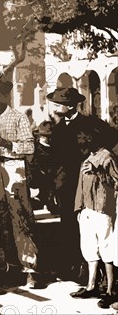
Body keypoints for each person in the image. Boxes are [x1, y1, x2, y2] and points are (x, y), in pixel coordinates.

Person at [47, 86, 118, 282]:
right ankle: (76, 269)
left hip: (91, 185)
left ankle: (102, 276)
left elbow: (113, 142)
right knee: (69, 227)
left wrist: (103, 158)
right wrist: (53, 187)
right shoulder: (58, 128)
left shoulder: (92, 124)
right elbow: (54, 160)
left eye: (59, 103)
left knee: (97, 228)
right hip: (66, 186)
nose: (55, 107)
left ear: (70, 106)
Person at [0, 81, 40, 288]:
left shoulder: (18, 118)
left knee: (20, 218)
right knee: (3, 219)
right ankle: (11, 265)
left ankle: (30, 268)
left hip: (15, 168)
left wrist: (6, 143)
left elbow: (29, 147)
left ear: (6, 97)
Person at [70, 142, 118, 309]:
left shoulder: (107, 158)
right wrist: (79, 208)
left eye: (83, 136)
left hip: (103, 210)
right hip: (87, 210)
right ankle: (91, 286)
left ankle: (110, 290)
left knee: (107, 250)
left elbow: (116, 181)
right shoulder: (87, 157)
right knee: (90, 249)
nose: (80, 140)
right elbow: (80, 184)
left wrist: (98, 171)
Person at [27, 121, 59, 213]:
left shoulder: (54, 149)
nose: (47, 139)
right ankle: (46, 201)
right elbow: (32, 165)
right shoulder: (35, 149)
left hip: (51, 176)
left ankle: (49, 202)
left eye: (49, 137)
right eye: (44, 136)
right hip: (38, 177)